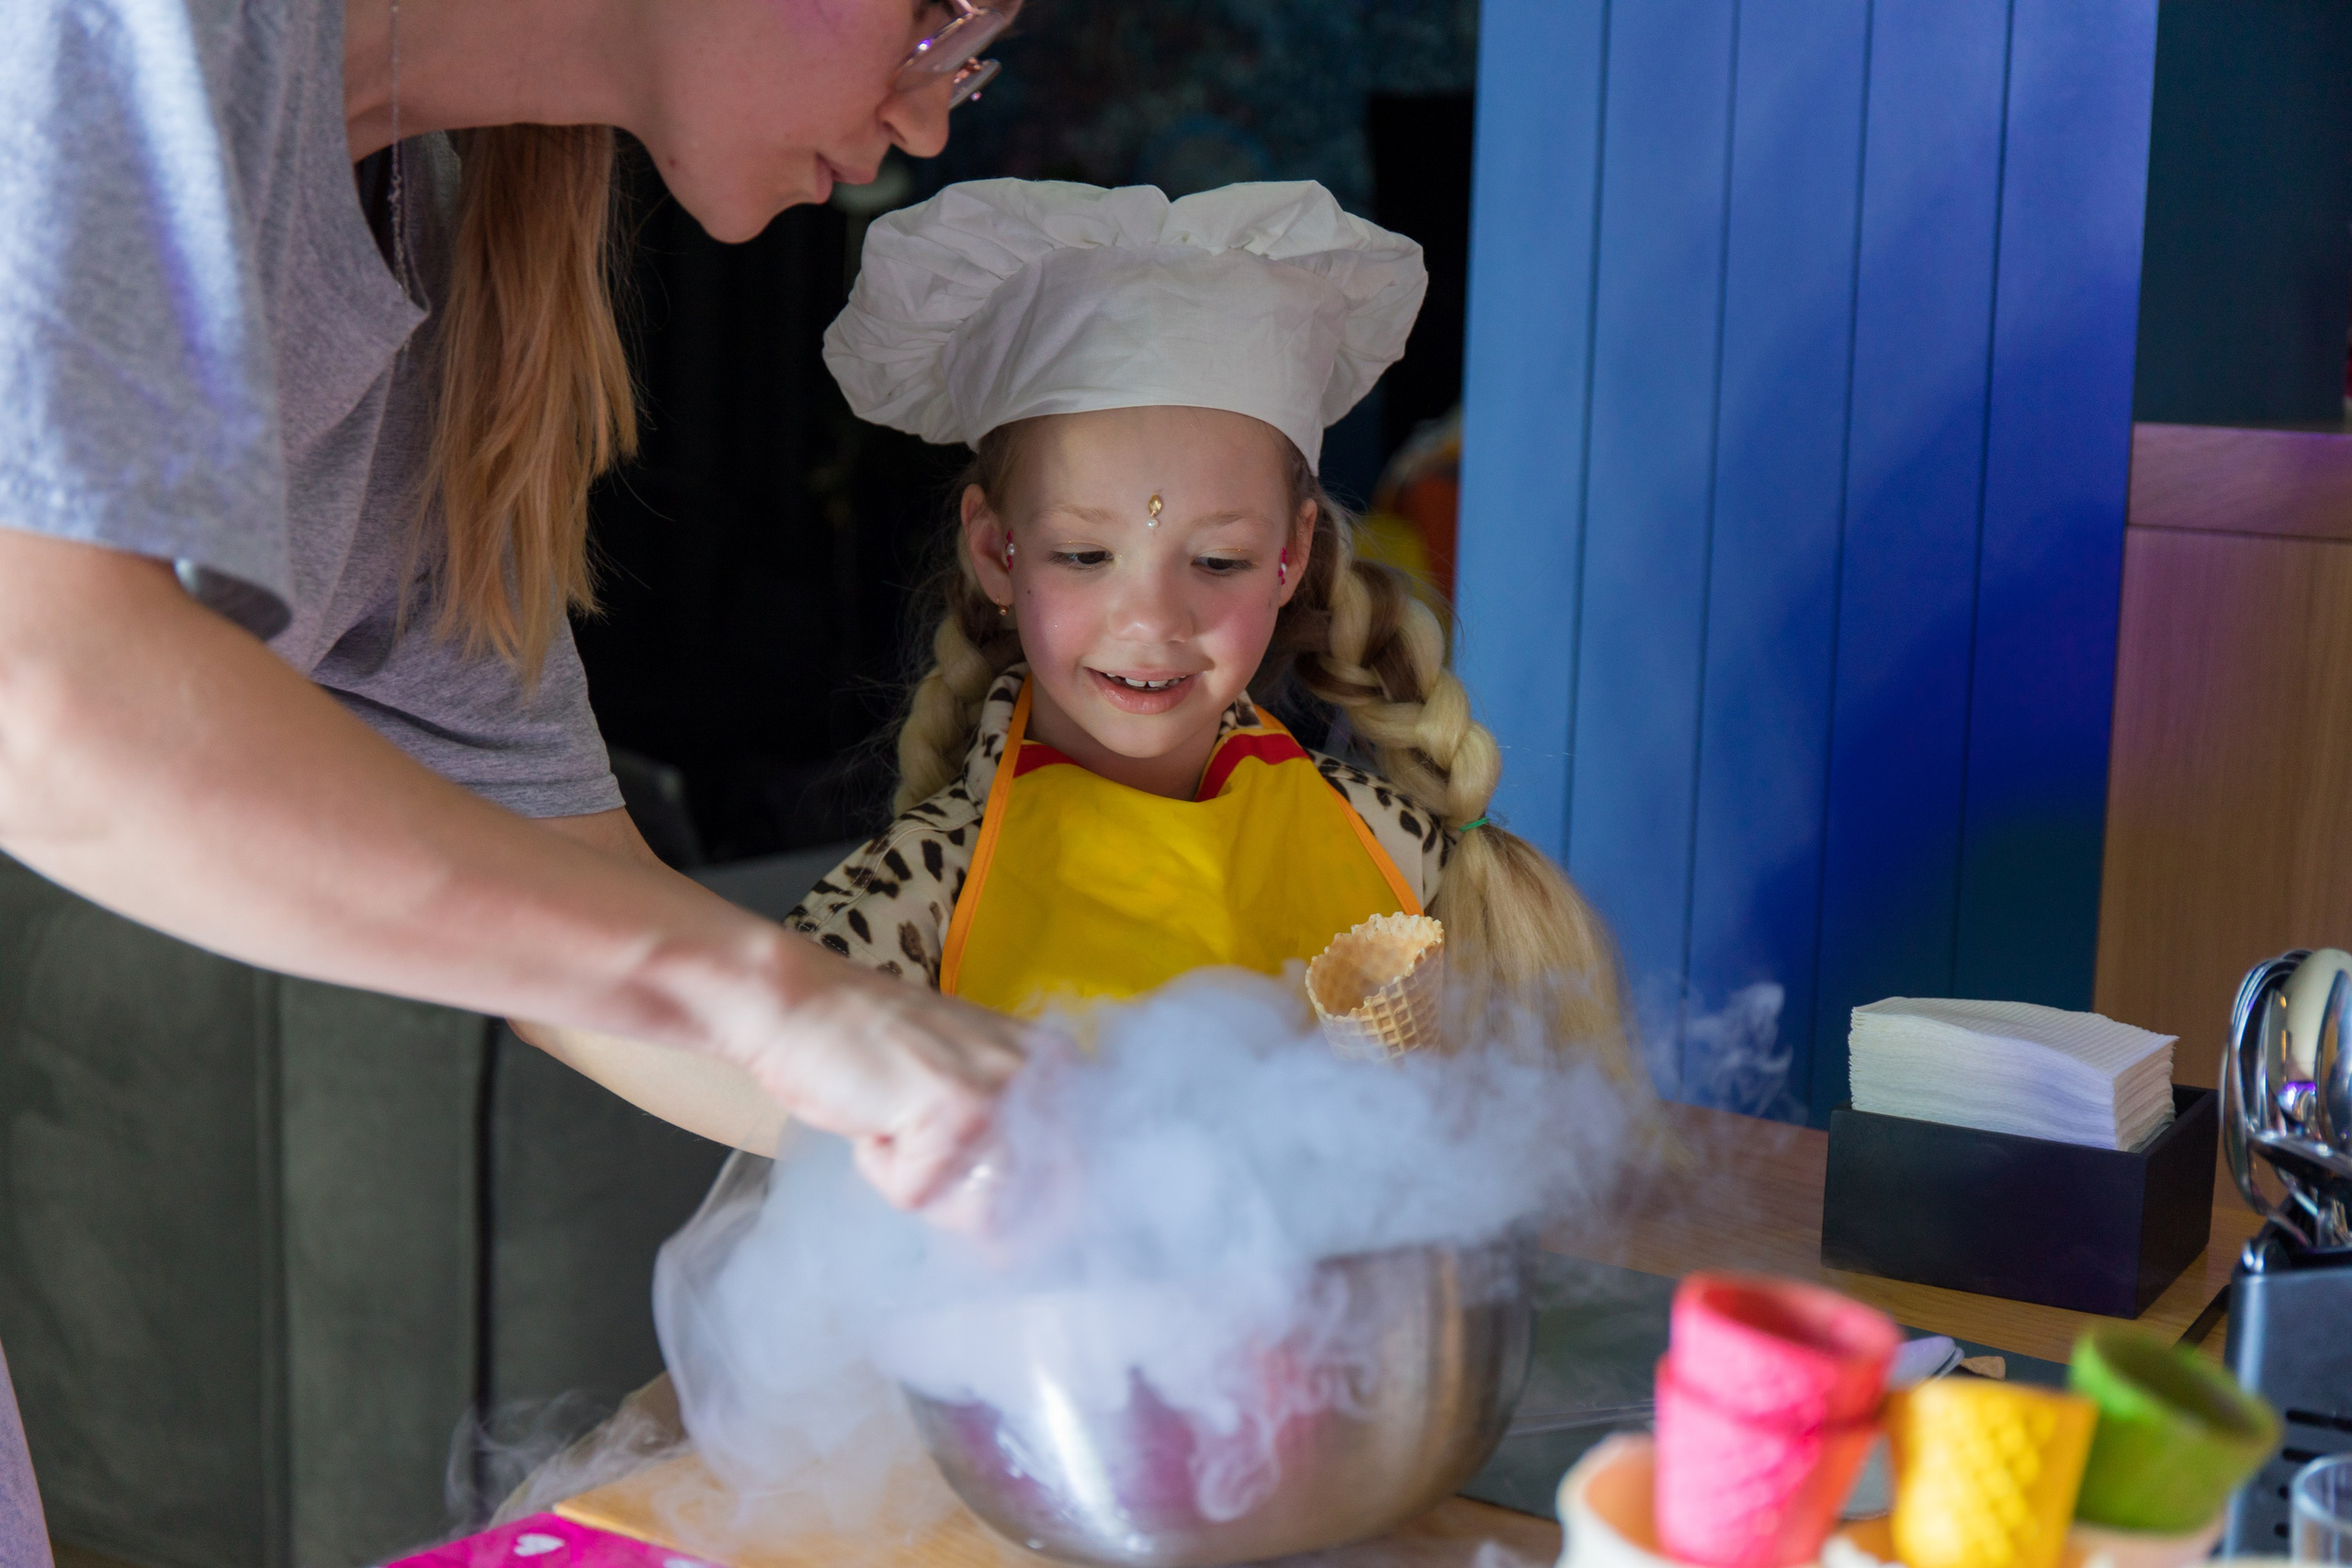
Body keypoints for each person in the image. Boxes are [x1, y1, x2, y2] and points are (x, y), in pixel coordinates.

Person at [0, 3, 1035, 1560]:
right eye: (940, 11)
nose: (933, 112)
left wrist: (1048, 1162)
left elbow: (581, 910)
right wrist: (795, 1003)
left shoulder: (436, 267)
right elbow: (45, 690)